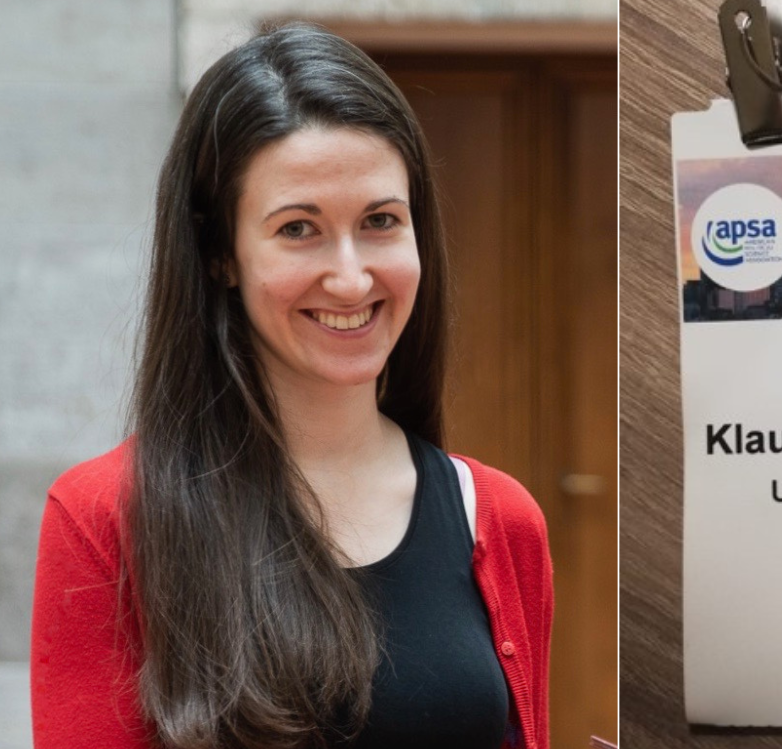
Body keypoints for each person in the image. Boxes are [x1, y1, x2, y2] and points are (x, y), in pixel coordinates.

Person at [30, 23, 551, 749]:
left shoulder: (500, 518)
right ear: (221, 256)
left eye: (380, 221)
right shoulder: (106, 521)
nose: (350, 276)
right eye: (298, 228)